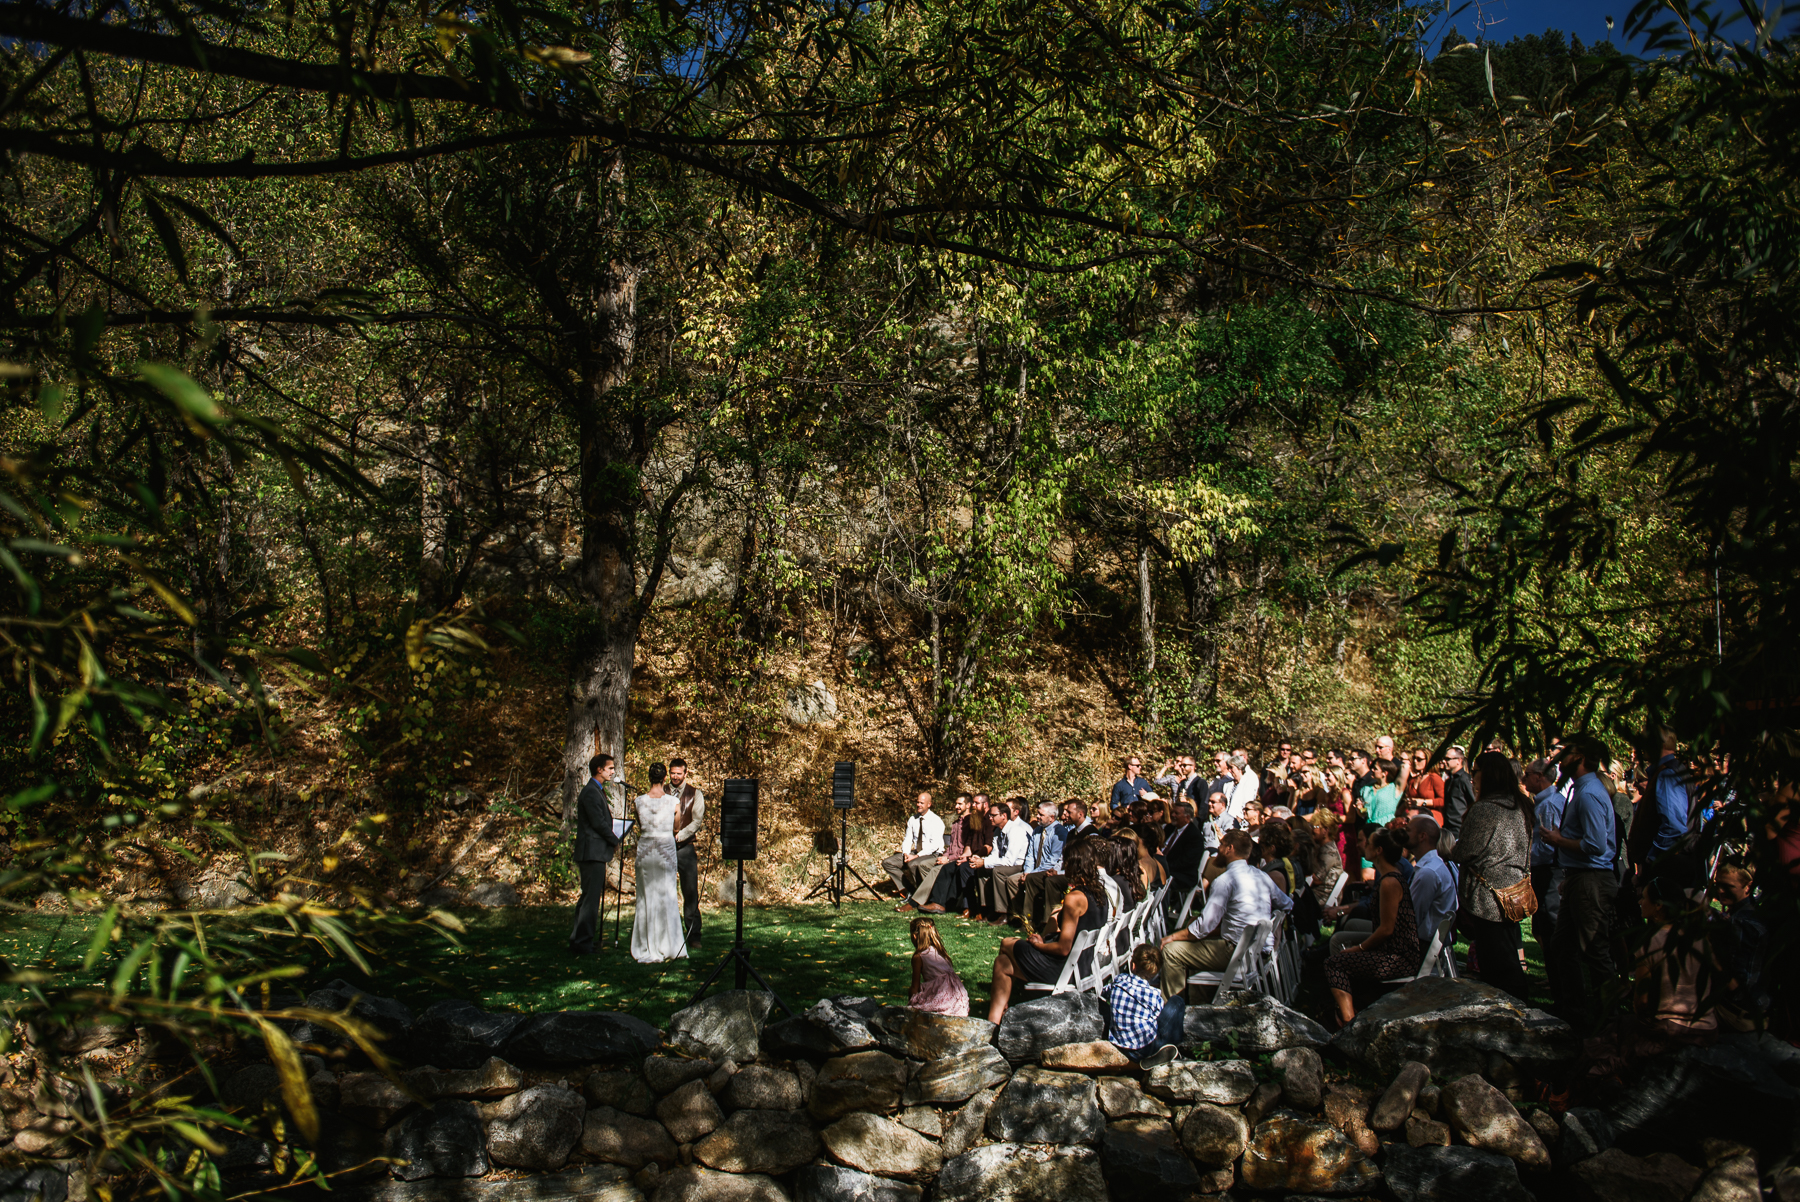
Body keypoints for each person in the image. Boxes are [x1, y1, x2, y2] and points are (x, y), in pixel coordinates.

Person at [1540, 736, 1620, 1023]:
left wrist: (1559, 840)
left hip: (1591, 880)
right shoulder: (1584, 789)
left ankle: (1608, 1019)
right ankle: (1574, 1011)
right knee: (1563, 945)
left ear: (1582, 757)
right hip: (1580, 877)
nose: (1560, 759)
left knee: (1595, 950)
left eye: (1567, 753)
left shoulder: (1588, 794)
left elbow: (1595, 845)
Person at [987, 838, 1111, 1021]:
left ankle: (997, 1018)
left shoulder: (1075, 898)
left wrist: (1038, 945)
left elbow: (1063, 948)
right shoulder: (1100, 893)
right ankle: (995, 1019)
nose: (1063, 866)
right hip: (1084, 966)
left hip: (1062, 969)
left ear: (1074, 863)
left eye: (1065, 861)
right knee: (1002, 963)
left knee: (1007, 943)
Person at [1157, 831, 1289, 998]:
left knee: (1172, 951)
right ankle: (1198, 1005)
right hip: (1257, 952)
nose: (1218, 849)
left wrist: (1172, 937)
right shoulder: (1261, 876)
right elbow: (1287, 904)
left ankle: (1171, 1012)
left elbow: (1204, 926)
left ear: (1229, 848)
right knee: (1196, 948)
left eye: (1221, 845)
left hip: (1237, 953)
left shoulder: (1225, 880)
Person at [1449, 753, 1533, 1001]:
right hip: (1513, 890)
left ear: (1486, 774)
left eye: (1475, 771)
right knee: (1507, 955)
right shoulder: (1520, 804)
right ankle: (1516, 1006)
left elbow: (1465, 851)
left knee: (1497, 964)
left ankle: (1510, 1010)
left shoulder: (1485, 809)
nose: (1472, 777)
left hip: (1489, 897)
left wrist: (1450, 849)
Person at [1323, 828, 1423, 1025]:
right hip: (1393, 951)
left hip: (1399, 957)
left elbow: (1386, 929)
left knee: (1333, 964)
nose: (1364, 846)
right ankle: (1347, 1015)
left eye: (1368, 843)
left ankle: (1347, 1021)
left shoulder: (1390, 882)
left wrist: (1357, 949)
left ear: (1378, 851)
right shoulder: (1389, 877)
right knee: (1340, 958)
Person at [631, 762, 688, 963]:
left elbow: (640, 823)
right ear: (665, 779)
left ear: (649, 777)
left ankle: (646, 944)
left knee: (646, 895)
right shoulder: (673, 802)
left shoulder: (638, 801)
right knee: (668, 893)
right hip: (665, 849)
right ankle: (670, 945)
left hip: (646, 850)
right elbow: (676, 826)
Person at [569, 753, 624, 955]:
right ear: (599, 770)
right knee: (591, 899)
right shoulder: (591, 792)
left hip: (593, 852)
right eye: (610, 768)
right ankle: (583, 942)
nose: (612, 772)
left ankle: (578, 938)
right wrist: (614, 839)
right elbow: (598, 822)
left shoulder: (596, 790)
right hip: (591, 853)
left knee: (587, 898)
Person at [1627, 725, 1692, 877]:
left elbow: (1673, 826)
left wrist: (1652, 858)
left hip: (1665, 869)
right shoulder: (1673, 770)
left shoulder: (1667, 774)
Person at [1107, 943, 1185, 1067]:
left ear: (1133, 966)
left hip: (1121, 1045)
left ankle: (1158, 1055)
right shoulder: (1153, 995)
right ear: (1154, 973)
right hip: (1146, 1047)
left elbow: (1105, 992)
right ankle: (1172, 1048)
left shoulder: (1119, 981)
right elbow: (1158, 1019)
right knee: (1177, 1001)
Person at [921, 796, 992, 915]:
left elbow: (988, 846)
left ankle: (959, 905)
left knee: (961, 868)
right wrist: (964, 856)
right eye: (973, 803)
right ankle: (938, 903)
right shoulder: (976, 819)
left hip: (984, 859)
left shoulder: (989, 821)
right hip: (971, 857)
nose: (973, 805)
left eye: (976, 803)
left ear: (985, 805)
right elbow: (969, 844)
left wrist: (976, 856)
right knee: (947, 868)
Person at [1524, 758, 1565, 949]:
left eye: (1528, 774)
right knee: (1541, 926)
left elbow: (1549, 846)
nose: (1523, 779)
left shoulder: (1549, 804)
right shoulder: (1546, 801)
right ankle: (1554, 976)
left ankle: (1558, 977)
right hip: (1545, 870)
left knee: (1550, 924)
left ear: (1540, 776)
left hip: (1549, 871)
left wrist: (1525, 855)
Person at [974, 799, 1033, 924]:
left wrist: (985, 862)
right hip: (1006, 863)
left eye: (993, 815)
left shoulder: (1015, 831)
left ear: (1004, 816)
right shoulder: (997, 831)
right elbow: (995, 854)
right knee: (982, 870)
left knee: (998, 872)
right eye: (990, 815)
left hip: (1018, 865)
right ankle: (988, 909)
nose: (990, 818)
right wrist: (981, 860)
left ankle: (1004, 913)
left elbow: (1010, 861)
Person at [667, 758, 705, 948]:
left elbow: (697, 821)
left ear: (685, 773)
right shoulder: (662, 792)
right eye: (672, 773)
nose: (675, 776)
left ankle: (693, 935)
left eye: (678, 773)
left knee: (690, 892)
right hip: (664, 847)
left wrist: (680, 836)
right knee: (664, 890)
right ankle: (667, 934)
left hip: (685, 848)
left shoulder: (695, 794)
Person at [884, 792, 946, 904]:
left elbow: (934, 846)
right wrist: (906, 854)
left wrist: (916, 856)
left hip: (932, 853)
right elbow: (908, 839)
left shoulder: (936, 821)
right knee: (888, 862)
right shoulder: (913, 819)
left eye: (922, 803)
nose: (918, 805)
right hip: (916, 852)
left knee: (914, 864)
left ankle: (921, 896)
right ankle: (910, 890)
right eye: (917, 802)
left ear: (929, 804)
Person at [1017, 800, 1069, 932]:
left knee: (1031, 879)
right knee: (1014, 880)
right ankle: (1019, 917)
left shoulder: (1059, 832)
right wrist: (1027, 871)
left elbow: (1053, 860)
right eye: (1038, 814)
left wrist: (1031, 874)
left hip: (1048, 870)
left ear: (1052, 818)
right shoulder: (1037, 831)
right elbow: (1030, 855)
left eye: (1041, 815)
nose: (1037, 817)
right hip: (1034, 870)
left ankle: (1035, 921)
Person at [1407, 814, 1458, 943]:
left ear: (1422, 836)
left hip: (1419, 946)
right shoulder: (1433, 865)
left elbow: (1411, 919)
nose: (1404, 835)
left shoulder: (1428, 872)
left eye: (1408, 831)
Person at [908, 917, 969, 1016]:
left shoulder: (918, 956)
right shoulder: (940, 952)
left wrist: (911, 1004)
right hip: (958, 996)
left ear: (914, 936)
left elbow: (915, 987)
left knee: (917, 1005)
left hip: (941, 994)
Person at [1164, 801, 1207, 895]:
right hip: (1164, 868)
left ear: (1187, 818)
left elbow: (1185, 862)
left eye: (1177, 813)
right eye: (1172, 812)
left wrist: (1164, 866)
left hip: (1181, 874)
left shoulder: (1194, 837)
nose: (1173, 815)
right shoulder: (1169, 828)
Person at [1403, 749, 1445, 821]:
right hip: (1414, 819)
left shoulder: (1434, 778)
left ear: (1428, 761)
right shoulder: (1412, 780)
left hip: (1431, 819)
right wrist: (1409, 802)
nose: (1415, 761)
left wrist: (1424, 802)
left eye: (1419, 759)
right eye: (1414, 758)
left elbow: (1443, 800)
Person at [1442, 746, 1475, 836]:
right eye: (1444, 759)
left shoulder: (1464, 779)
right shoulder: (1449, 780)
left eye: (1448, 759)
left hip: (1460, 828)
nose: (1444, 762)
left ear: (1459, 760)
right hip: (1447, 828)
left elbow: (1473, 802)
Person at [1227, 753, 1261, 826]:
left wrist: (1239, 818)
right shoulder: (1229, 784)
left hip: (1239, 821)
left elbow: (1247, 801)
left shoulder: (1249, 779)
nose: (1229, 770)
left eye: (1231, 767)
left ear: (1239, 767)